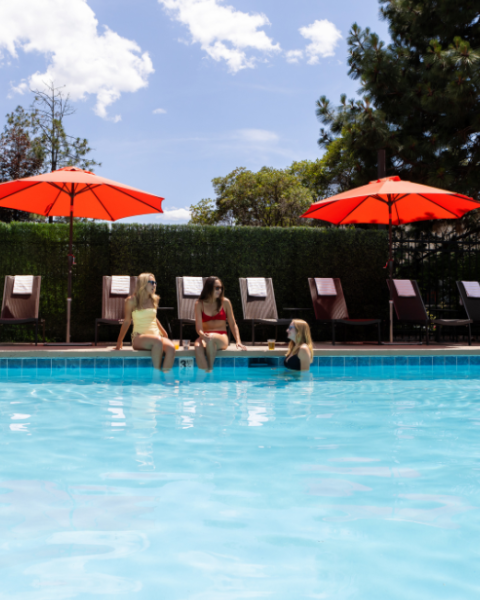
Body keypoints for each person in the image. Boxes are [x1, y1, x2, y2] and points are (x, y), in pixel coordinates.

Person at [115, 273, 175, 371]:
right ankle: (157, 377)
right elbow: (127, 322)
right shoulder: (131, 301)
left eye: (155, 282)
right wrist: (119, 341)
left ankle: (167, 377)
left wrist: (164, 333)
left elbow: (154, 318)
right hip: (139, 337)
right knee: (158, 341)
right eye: (151, 282)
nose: (154, 285)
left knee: (171, 348)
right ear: (143, 284)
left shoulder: (154, 299)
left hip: (156, 337)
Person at [194, 276, 246, 371]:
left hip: (222, 337)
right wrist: (202, 335)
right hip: (205, 337)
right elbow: (198, 327)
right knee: (197, 346)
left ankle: (210, 370)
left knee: (211, 337)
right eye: (217, 288)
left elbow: (233, 323)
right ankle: (203, 374)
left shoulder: (225, 302)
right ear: (209, 288)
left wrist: (238, 341)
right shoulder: (199, 304)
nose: (220, 290)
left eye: (221, 288)